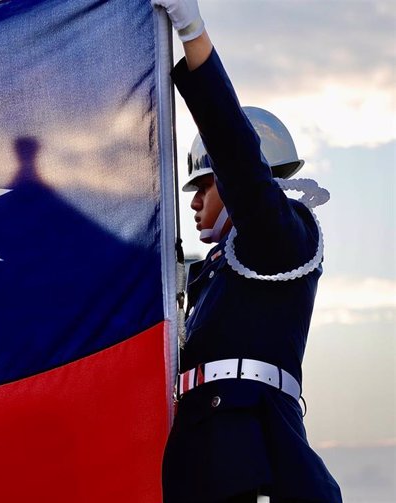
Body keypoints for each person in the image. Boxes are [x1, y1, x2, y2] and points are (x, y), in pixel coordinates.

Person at [151, 1, 342, 501]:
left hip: (256, 466)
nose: (192, 201)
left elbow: (238, 157)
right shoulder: (205, 276)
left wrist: (194, 35)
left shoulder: (281, 238)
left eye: (205, 184)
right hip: (198, 467)